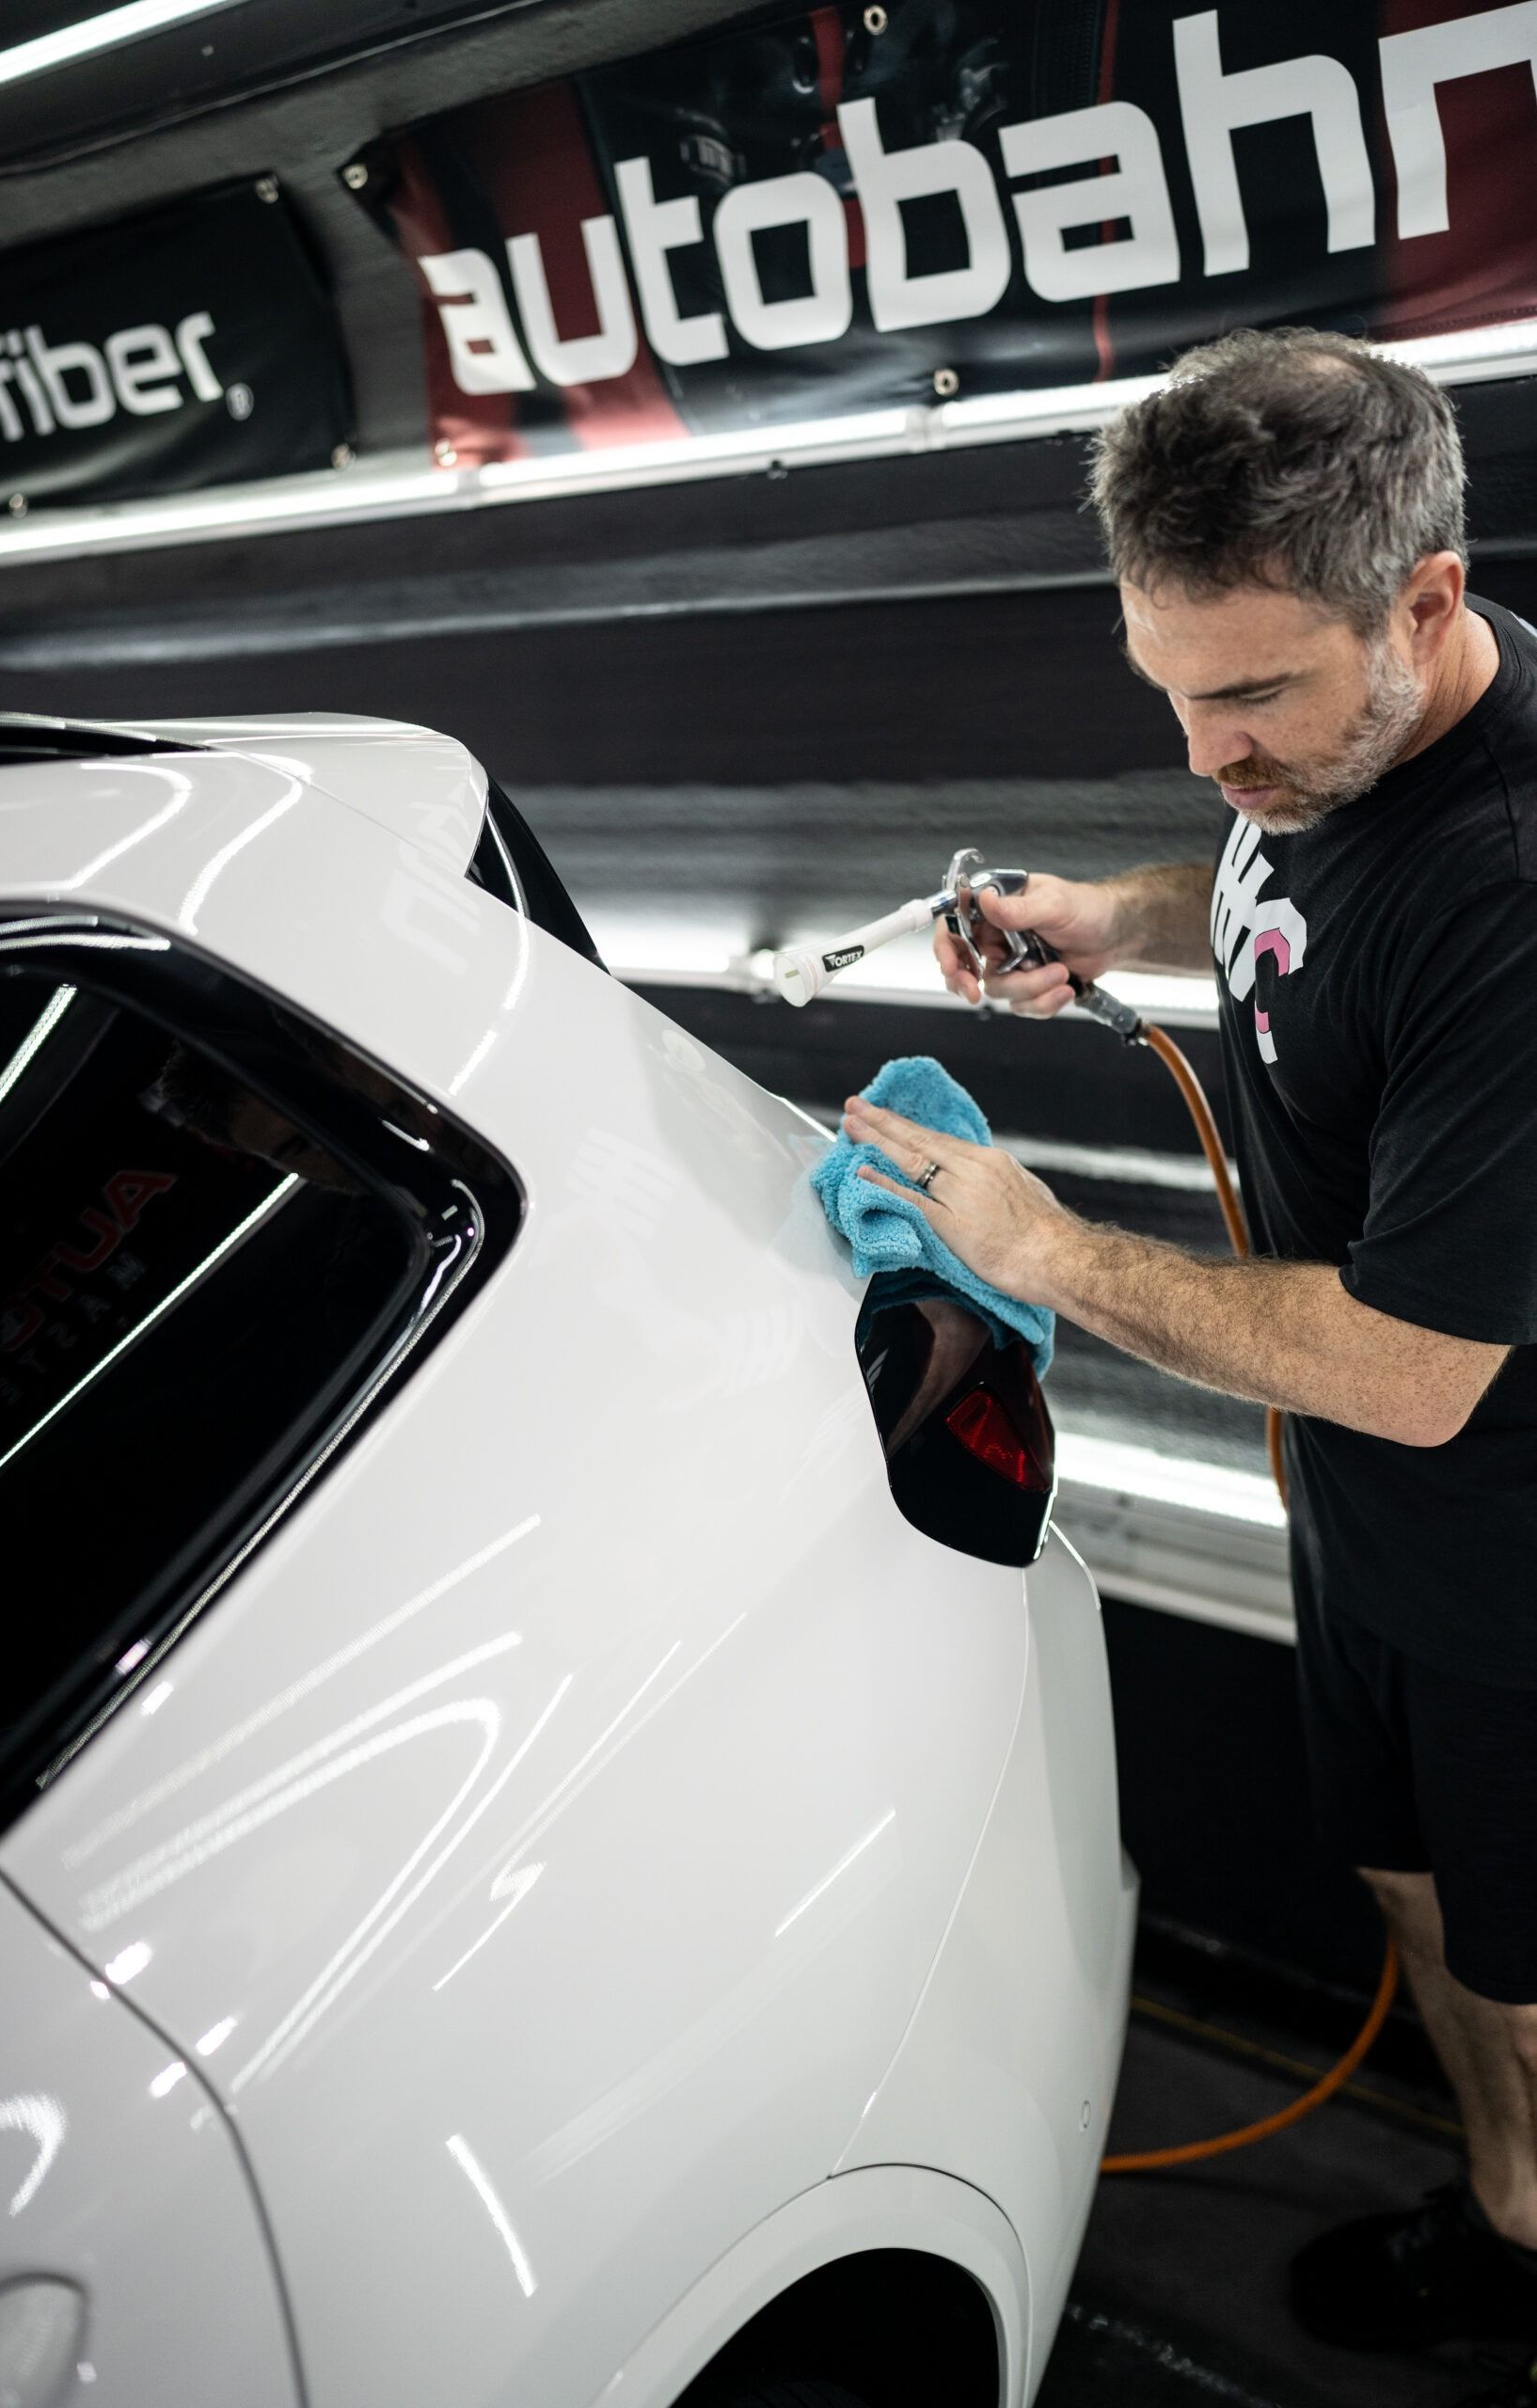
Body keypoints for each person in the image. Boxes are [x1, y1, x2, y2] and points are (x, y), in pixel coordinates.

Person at [841, 326, 1537, 2404]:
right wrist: (1110, 917)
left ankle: (1529, 2250)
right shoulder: (1336, 750)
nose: (1206, 753)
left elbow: (1415, 1368)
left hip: (1502, 1543)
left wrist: (1039, 1243)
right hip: (1370, 1512)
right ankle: (1510, 2201)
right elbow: (1274, 888)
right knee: (1419, 1904)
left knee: (1529, 1983)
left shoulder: (1512, 885)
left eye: (1246, 697)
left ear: (1417, 599)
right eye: (1169, 694)